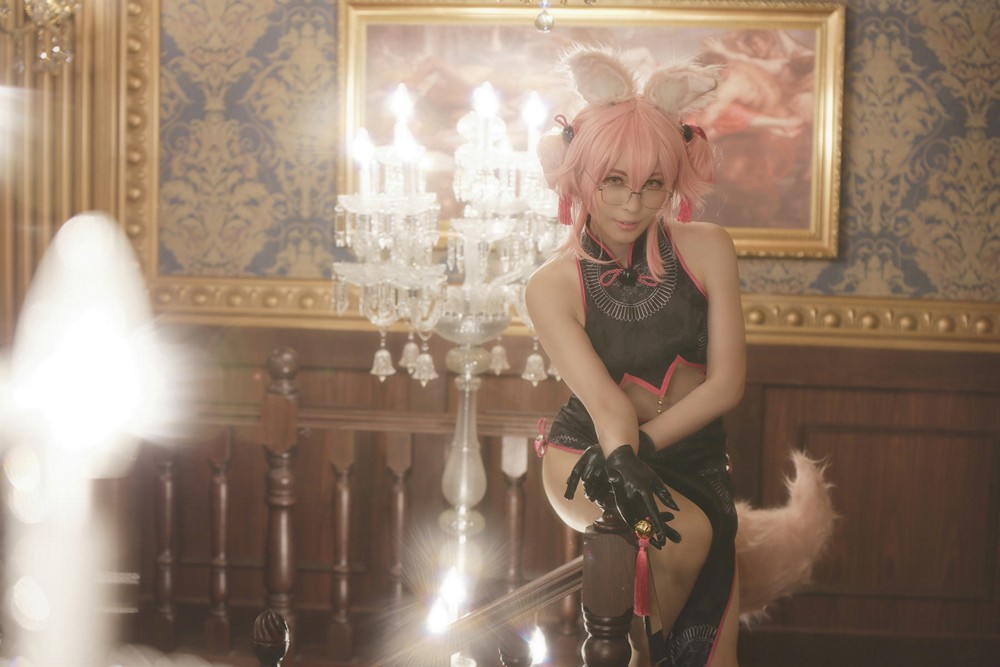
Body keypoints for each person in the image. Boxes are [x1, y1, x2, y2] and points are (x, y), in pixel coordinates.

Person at [526, 46, 833, 667]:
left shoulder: (710, 248)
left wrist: (645, 446)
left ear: (674, 182)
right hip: (589, 454)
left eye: (652, 185)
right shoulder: (550, 285)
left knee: (718, 650)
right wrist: (622, 455)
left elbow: (726, 385)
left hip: (693, 457)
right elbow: (607, 404)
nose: (632, 203)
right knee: (685, 535)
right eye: (614, 180)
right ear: (579, 174)